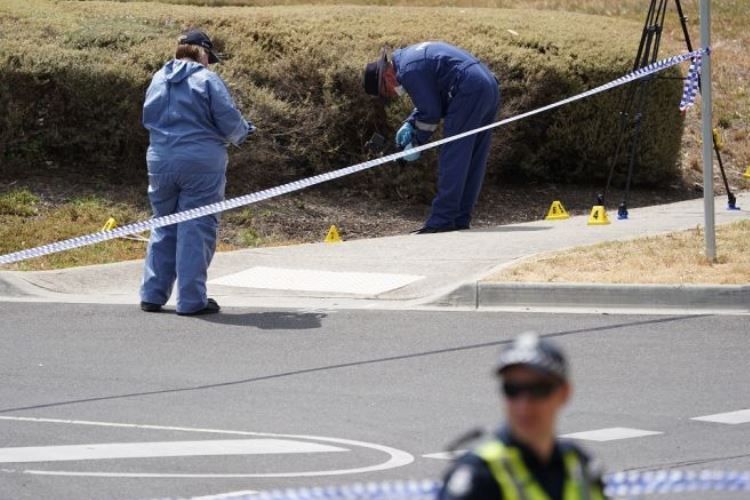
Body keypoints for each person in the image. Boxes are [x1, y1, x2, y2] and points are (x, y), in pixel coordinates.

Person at [140, 29, 255, 316]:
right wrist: (245, 132)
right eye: (209, 58)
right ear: (203, 53)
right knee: (196, 227)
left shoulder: (158, 77)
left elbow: (148, 117)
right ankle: (192, 300)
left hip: (160, 160)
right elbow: (229, 120)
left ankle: (152, 294)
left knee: (164, 223)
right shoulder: (207, 79)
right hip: (200, 163)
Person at [437, 332, 606, 500]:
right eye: (512, 390)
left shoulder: (579, 467)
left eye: (538, 390)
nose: (523, 405)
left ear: (564, 393)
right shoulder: (480, 476)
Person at [363, 41, 500, 234]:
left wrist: (416, 142)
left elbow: (432, 112)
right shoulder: (410, 59)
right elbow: (432, 100)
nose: (392, 95)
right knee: (473, 158)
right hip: (487, 85)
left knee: (454, 156)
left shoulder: (409, 71)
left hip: (467, 90)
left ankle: (441, 221)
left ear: (386, 76)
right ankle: (460, 219)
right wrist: (411, 123)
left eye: (386, 92)